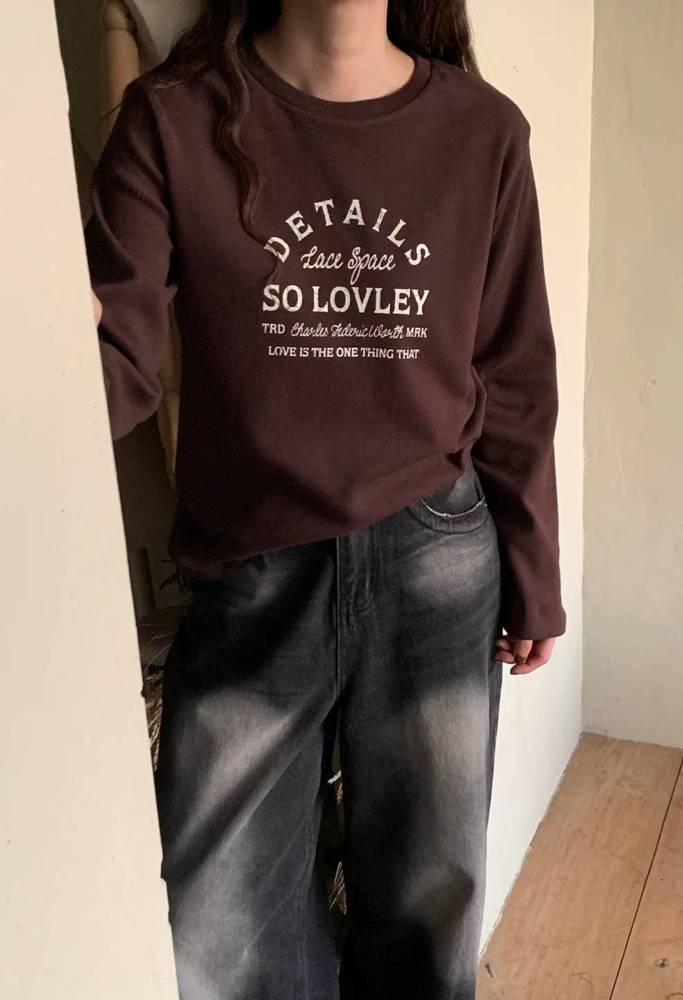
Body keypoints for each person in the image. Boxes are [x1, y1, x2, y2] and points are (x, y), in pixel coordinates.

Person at [84, 1, 566, 997]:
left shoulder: (482, 132)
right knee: (223, 932)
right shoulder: (173, 119)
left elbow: (513, 374)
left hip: (437, 563)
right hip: (252, 570)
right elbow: (111, 364)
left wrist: (535, 572)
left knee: (429, 905)